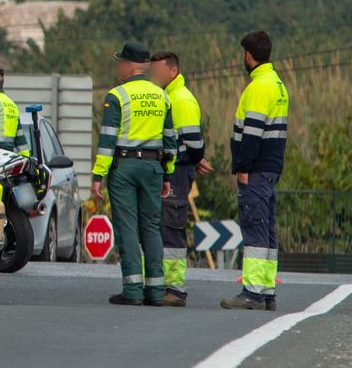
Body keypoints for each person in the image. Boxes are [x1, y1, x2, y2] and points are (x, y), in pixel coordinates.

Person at [91, 40, 176, 306]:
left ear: (129, 66)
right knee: (151, 227)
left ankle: (133, 290)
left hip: (125, 168)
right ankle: (156, 291)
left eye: (120, 62)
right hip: (153, 167)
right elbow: (170, 139)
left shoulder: (117, 96)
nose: (118, 67)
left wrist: (97, 177)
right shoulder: (161, 95)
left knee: (127, 226)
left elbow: (107, 140)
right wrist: (167, 174)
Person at [221, 30, 289, 312]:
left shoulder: (259, 87)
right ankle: (266, 290)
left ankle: (252, 292)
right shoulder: (277, 84)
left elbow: (252, 133)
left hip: (256, 170)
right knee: (267, 231)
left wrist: (243, 167)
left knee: (254, 227)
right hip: (270, 168)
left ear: (248, 55)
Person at [150, 51, 211, 307]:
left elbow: (194, 144)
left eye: (158, 70)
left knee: (172, 226)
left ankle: (175, 288)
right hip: (174, 169)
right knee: (164, 225)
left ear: (172, 71)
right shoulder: (169, 96)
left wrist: (193, 160)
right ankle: (164, 283)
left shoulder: (181, 100)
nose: (153, 75)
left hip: (177, 171)